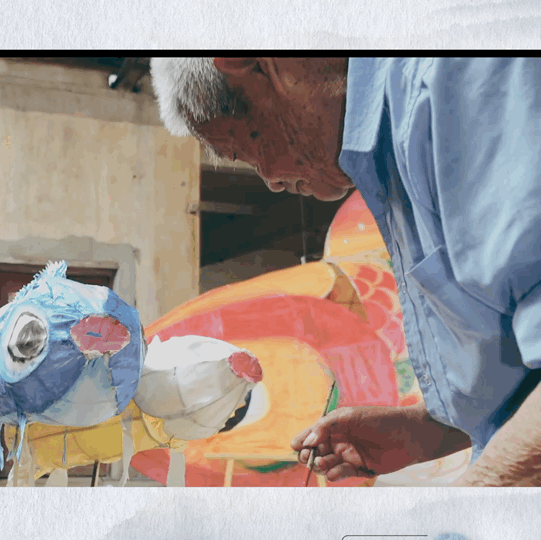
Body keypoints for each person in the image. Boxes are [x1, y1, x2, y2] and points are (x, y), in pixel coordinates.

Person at [149, 57, 541, 486]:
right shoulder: (391, 160)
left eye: (246, 151)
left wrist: (477, 501)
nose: (271, 179)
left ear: (251, 63)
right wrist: (423, 433)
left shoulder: (456, 81)